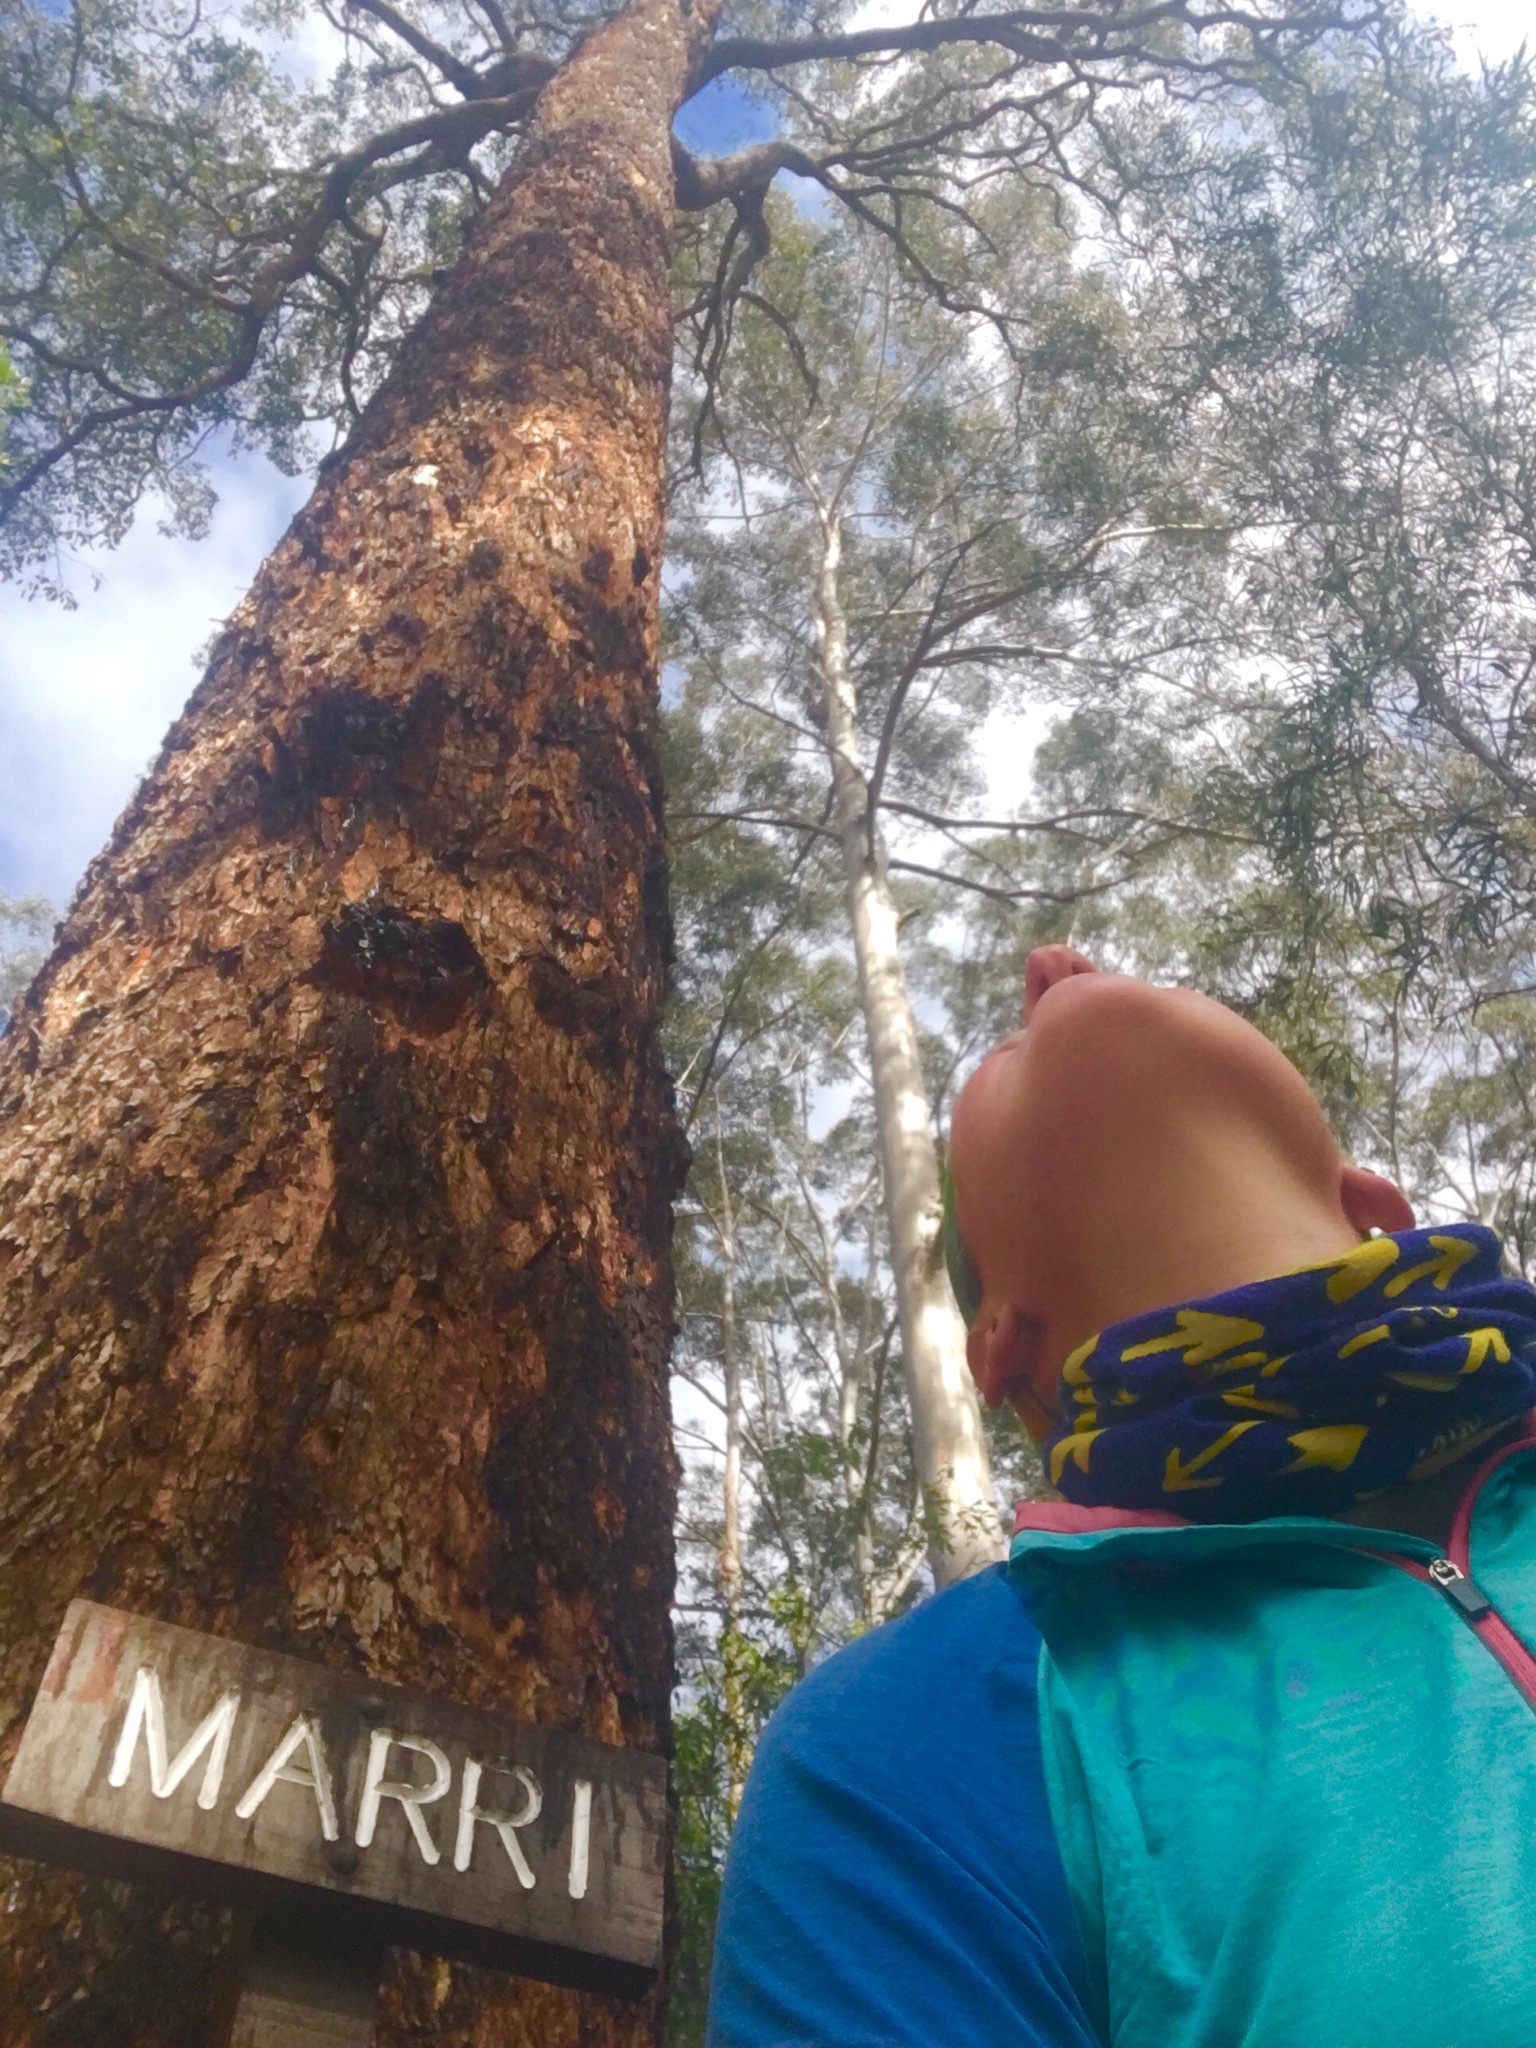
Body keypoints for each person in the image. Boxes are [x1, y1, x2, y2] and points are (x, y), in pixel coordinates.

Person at [705, 945, 1536, 2048]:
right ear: (999, 1351)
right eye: (1005, 1049)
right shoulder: (909, 1743)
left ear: (1372, 1202)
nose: (1049, 967)